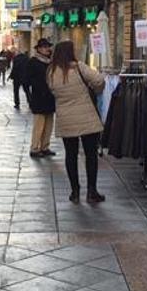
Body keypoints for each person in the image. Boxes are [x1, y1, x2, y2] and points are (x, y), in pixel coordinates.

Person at [47, 41, 106, 204]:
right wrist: (95, 89)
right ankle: (92, 192)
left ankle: (75, 191)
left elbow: (52, 90)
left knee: (70, 155)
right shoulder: (79, 67)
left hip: (65, 118)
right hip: (86, 117)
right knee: (90, 155)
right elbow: (99, 80)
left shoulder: (51, 71)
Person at [26, 38, 56, 158]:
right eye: (44, 47)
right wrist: (31, 94)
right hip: (39, 97)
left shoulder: (51, 62)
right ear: (38, 49)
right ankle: (34, 148)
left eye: (48, 46)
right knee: (39, 124)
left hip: (50, 97)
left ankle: (45, 146)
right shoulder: (33, 62)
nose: (47, 49)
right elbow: (27, 79)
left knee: (49, 124)